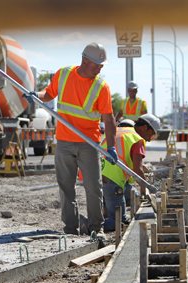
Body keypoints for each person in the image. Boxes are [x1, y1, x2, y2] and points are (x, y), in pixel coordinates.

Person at [35, 43, 117, 238]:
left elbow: (108, 119)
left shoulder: (101, 86)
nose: (100, 68)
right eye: (98, 64)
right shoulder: (63, 74)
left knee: (93, 187)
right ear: (85, 61)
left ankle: (97, 228)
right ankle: (70, 229)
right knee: (65, 187)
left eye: (102, 65)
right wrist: (35, 95)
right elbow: (48, 94)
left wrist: (111, 147)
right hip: (64, 142)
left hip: (89, 144)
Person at [101, 114, 161, 232]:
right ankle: (89, 226)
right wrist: (145, 190)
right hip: (114, 180)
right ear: (144, 127)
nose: (149, 139)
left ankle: (106, 213)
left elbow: (125, 156)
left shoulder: (120, 131)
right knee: (119, 222)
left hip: (103, 174)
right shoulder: (137, 139)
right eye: (151, 134)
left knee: (133, 194)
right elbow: (137, 170)